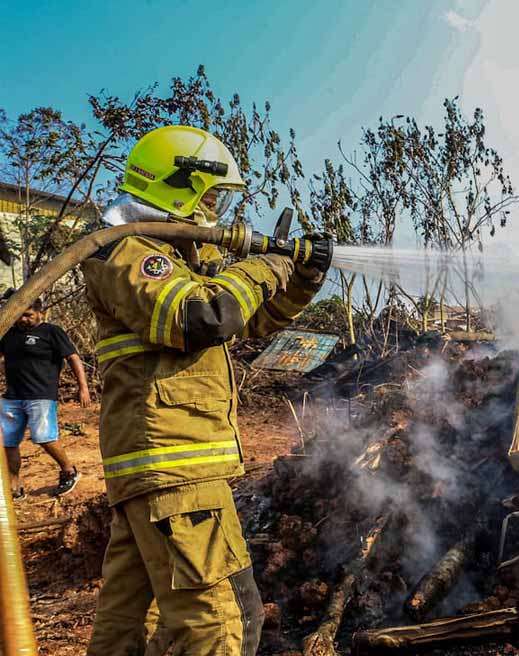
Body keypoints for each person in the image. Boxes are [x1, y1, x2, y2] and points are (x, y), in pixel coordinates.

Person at [83, 125, 328, 655]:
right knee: (226, 626)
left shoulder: (167, 260)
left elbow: (249, 321)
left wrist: (303, 277)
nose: (215, 211)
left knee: (129, 631)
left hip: (160, 476)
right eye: (211, 196)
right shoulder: (126, 253)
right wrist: (271, 262)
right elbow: (206, 317)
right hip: (176, 474)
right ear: (177, 188)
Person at [1, 298, 91, 499]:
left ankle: (69, 471)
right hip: (12, 397)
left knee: (44, 438)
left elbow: (73, 358)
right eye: (20, 315)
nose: (23, 319)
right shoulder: (8, 334)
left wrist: (83, 387)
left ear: (40, 312)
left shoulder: (51, 332)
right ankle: (15, 487)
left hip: (40, 396)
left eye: (28, 315)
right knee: (8, 443)